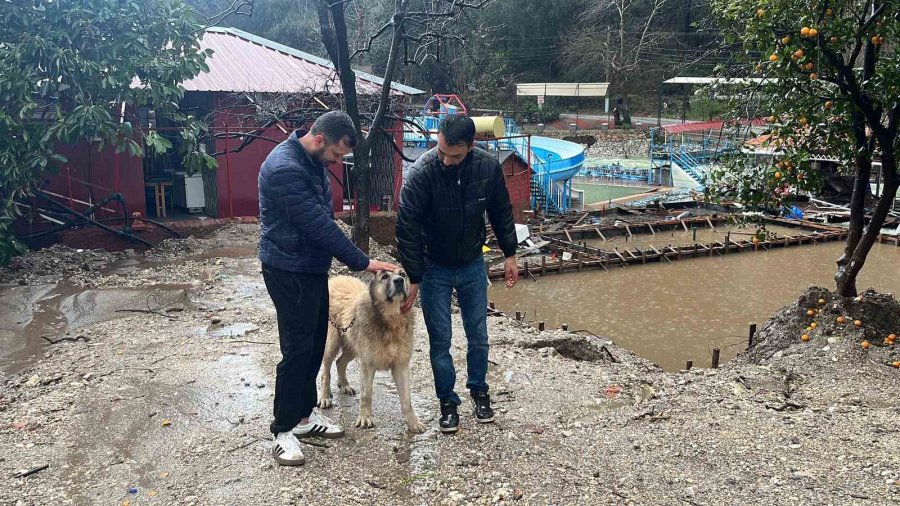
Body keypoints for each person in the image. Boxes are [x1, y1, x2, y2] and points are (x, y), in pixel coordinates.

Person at [258, 111, 397, 466]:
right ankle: (283, 429)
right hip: (287, 269)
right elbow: (318, 224)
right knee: (296, 349)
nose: (337, 161)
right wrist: (363, 261)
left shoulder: (314, 161)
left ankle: (304, 417)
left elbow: (325, 216)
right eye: (336, 153)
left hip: (311, 267)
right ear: (320, 139)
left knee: (314, 343)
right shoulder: (284, 169)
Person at [396, 115, 519, 434]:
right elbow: (406, 227)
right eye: (441, 152)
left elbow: (501, 211)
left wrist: (510, 254)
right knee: (441, 340)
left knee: (478, 335)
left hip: (472, 263)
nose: (446, 161)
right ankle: (447, 402)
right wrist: (415, 275)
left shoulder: (487, 168)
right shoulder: (422, 172)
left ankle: (479, 391)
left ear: (471, 146)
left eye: (455, 155)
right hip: (434, 266)